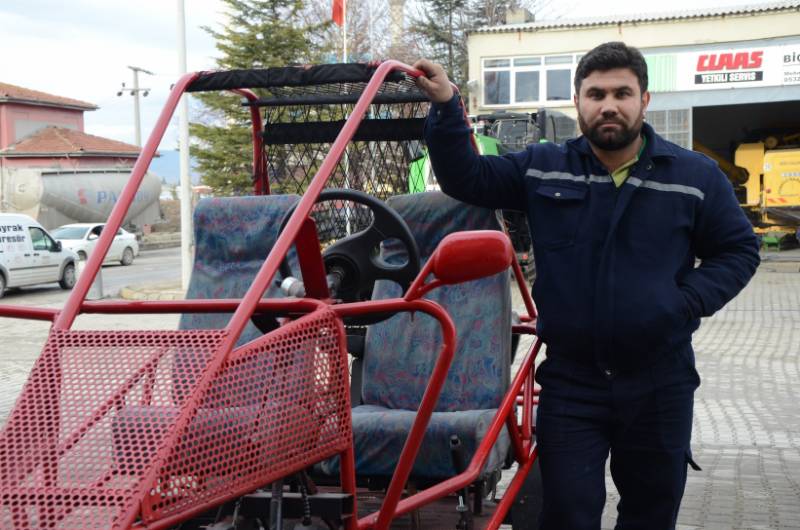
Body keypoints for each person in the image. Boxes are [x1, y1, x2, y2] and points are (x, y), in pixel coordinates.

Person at [413, 42, 760, 530]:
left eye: (623, 92)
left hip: (660, 381)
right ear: (578, 102)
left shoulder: (694, 177)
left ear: (645, 100)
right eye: (596, 93)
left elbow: (740, 250)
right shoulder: (542, 167)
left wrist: (681, 303)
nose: (609, 104)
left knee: (650, 514)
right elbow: (465, 176)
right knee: (567, 514)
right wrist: (448, 105)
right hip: (574, 384)